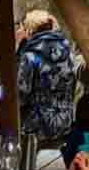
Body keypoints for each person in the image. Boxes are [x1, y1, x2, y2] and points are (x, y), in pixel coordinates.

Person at [15, 10, 78, 156]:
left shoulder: (30, 56)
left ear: (29, 29)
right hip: (64, 122)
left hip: (38, 125)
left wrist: (18, 50)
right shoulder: (68, 52)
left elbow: (21, 95)